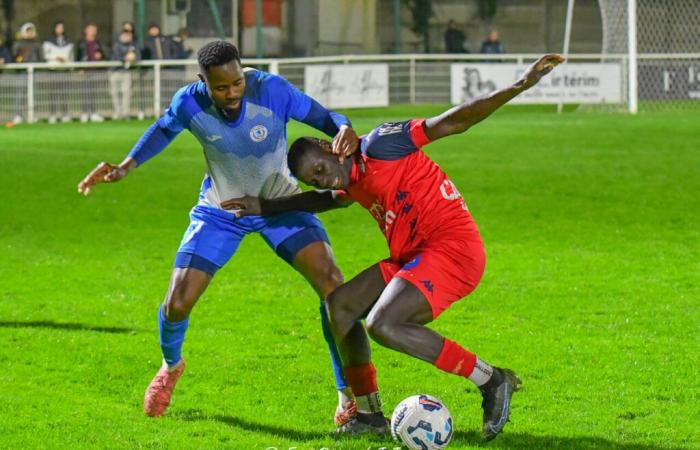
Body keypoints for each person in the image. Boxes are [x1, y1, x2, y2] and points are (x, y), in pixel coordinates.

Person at [223, 53, 565, 440]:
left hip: (453, 249)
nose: (325, 179)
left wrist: (519, 85)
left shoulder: (382, 144)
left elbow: (453, 121)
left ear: (327, 144)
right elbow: (326, 200)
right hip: (414, 255)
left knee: (382, 324)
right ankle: (368, 416)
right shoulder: (346, 180)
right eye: (315, 179)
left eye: (321, 169)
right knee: (339, 307)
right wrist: (265, 206)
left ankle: (490, 379)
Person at [76, 41, 369, 425]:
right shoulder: (189, 103)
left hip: (279, 204)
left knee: (333, 286)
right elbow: (164, 128)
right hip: (222, 209)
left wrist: (344, 127)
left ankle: (344, 394)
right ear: (204, 82)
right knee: (176, 303)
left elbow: (326, 116)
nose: (231, 94)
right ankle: (170, 365)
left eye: (236, 84)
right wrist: (126, 166)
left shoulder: (272, 90)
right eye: (221, 88)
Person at [43, 20, 74, 123]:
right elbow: (45, 55)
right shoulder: (48, 41)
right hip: (53, 70)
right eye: (58, 27)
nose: (60, 29)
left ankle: (65, 114)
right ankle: (52, 114)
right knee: (53, 94)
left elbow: (71, 56)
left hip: (64, 70)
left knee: (64, 94)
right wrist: (56, 58)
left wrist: (68, 64)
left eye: (62, 27)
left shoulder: (68, 41)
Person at [12, 22, 43, 124]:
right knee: (20, 94)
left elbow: (41, 58)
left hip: (33, 72)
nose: (29, 33)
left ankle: (33, 114)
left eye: (31, 31)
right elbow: (14, 56)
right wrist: (18, 60)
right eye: (27, 31)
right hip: (22, 72)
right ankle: (18, 115)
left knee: (34, 94)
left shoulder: (37, 44)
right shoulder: (18, 44)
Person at [77, 23, 106, 122]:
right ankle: (84, 113)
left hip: (95, 70)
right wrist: (79, 68)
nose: (92, 31)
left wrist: (100, 55)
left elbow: (104, 54)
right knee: (85, 92)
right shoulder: (81, 43)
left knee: (94, 93)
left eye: (94, 29)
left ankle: (93, 112)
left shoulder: (98, 43)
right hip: (85, 70)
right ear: (86, 31)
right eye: (90, 29)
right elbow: (78, 56)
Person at [110, 29, 140, 119]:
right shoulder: (116, 45)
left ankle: (125, 113)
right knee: (114, 93)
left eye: (129, 35)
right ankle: (117, 112)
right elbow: (116, 56)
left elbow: (138, 56)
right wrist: (125, 58)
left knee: (126, 93)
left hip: (126, 72)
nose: (128, 37)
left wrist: (133, 58)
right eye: (126, 35)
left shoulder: (134, 45)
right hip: (115, 72)